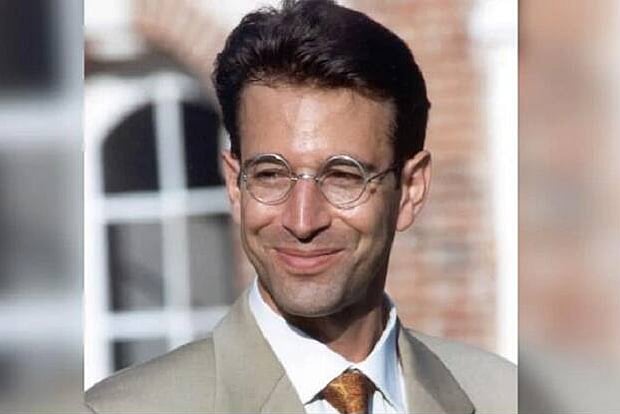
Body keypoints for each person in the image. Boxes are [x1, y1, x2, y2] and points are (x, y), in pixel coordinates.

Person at [85, 1, 516, 413]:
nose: (302, 220)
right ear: (235, 185)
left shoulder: (504, 398)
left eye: (343, 176)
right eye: (271, 174)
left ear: (410, 189)